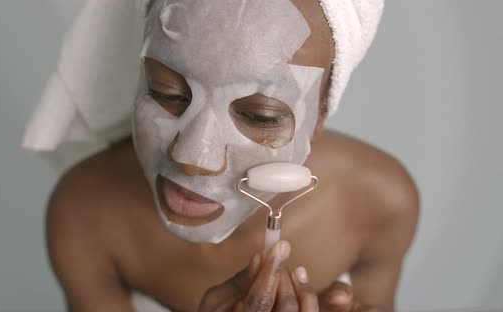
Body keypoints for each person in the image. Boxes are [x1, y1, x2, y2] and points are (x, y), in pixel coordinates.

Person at [34, 0, 419, 311]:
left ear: (320, 115)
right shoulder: (86, 215)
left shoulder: (379, 204)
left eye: (258, 116)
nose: (194, 157)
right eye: (166, 93)